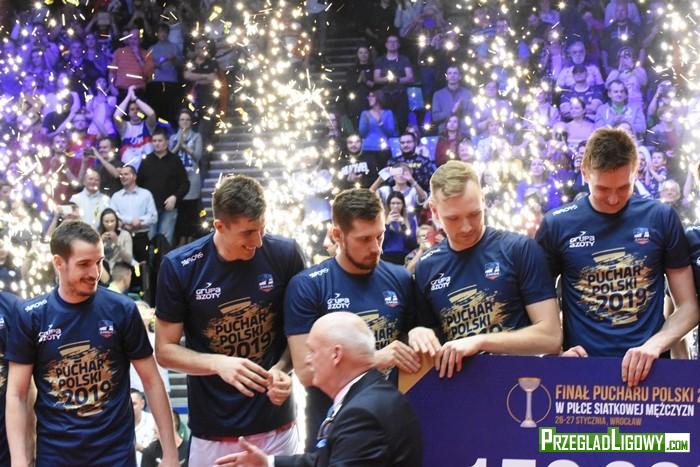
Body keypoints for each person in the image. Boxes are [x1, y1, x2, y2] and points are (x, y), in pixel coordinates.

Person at [154, 175, 305, 467]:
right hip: (213, 431)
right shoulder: (180, 266)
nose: (257, 241)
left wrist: (283, 368)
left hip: (278, 426)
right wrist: (217, 363)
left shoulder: (285, 253)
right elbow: (165, 351)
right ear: (219, 226)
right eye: (248, 232)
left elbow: (300, 333)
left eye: (262, 228)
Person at [535, 128, 700, 387]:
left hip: (651, 372)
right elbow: (535, 304)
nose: (613, 199)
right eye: (602, 188)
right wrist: (554, 352)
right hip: (581, 374)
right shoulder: (556, 224)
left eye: (624, 187)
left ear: (635, 171)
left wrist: (655, 345)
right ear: (584, 172)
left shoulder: (661, 217)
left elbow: (688, 307)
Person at [5, 221, 178, 466]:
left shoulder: (122, 309)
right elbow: (17, 394)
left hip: (115, 455)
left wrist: (170, 453)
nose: (95, 273)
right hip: (57, 455)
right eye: (84, 264)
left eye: (99, 262)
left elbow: (152, 381)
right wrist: (19, 460)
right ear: (59, 263)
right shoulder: (31, 315)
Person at [284, 188, 419, 450]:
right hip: (334, 435)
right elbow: (306, 372)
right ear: (337, 235)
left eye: (380, 236)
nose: (376, 248)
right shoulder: (308, 286)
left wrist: (421, 333)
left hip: (391, 428)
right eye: (364, 239)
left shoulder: (400, 278)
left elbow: (412, 353)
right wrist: (375, 359)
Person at [409, 161, 562, 378]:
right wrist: (418, 333)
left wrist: (480, 341)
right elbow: (428, 338)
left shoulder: (519, 249)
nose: (466, 227)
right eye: (453, 218)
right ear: (434, 211)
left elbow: (550, 337)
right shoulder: (426, 266)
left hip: (518, 384)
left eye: (474, 214)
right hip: (458, 387)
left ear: (483, 201)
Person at [213, 312, 423, 467]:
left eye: (312, 351)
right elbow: (325, 460)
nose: (307, 360)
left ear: (336, 355)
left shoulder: (362, 414)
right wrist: (267, 463)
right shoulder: (369, 393)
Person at [137, 127, 190, 246]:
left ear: (166, 142)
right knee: (149, 243)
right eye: (154, 141)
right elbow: (138, 185)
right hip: (149, 210)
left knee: (165, 243)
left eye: (160, 140)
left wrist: (175, 197)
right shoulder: (146, 161)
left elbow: (185, 184)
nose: (157, 143)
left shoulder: (175, 160)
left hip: (169, 209)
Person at [110, 165, 158, 262]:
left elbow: (154, 216)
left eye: (126, 174)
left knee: (142, 266)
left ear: (134, 176)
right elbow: (114, 216)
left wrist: (139, 222)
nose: (123, 177)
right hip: (123, 237)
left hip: (142, 236)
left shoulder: (146, 194)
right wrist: (131, 221)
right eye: (121, 175)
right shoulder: (116, 196)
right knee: (123, 267)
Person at [169, 110, 204, 246]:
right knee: (179, 210)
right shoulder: (173, 138)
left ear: (191, 122)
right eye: (182, 119)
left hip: (192, 177)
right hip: (177, 179)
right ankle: (179, 238)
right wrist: (178, 144)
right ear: (178, 122)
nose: (184, 122)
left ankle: (189, 237)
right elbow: (169, 156)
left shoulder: (196, 136)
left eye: (187, 120)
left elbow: (198, 156)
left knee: (191, 210)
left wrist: (185, 146)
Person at [373, 35, 414, 133]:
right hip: (385, 96)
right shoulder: (380, 60)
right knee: (386, 123)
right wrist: (387, 79)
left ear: (398, 45)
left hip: (401, 95)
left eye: (395, 42)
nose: (392, 44)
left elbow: (410, 77)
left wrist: (397, 80)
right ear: (386, 44)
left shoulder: (404, 59)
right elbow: (376, 78)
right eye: (390, 42)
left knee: (402, 122)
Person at [114, 85, 157, 170]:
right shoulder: (125, 127)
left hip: (148, 169)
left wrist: (135, 98)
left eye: (138, 109)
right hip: (129, 172)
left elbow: (151, 113)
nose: (135, 112)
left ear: (142, 111)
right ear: (128, 113)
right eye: (132, 109)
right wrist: (128, 96)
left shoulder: (147, 125)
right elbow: (116, 116)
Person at [431, 65, 473, 135]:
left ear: (460, 77)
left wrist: (460, 110)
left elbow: (472, 114)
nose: (452, 76)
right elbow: (435, 117)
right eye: (449, 73)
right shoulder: (438, 94)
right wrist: (452, 111)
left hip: (464, 132)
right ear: (446, 77)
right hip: (444, 133)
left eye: (455, 73)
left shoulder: (468, 94)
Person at [98, 208, 134, 272]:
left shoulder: (125, 235)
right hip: (102, 271)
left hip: (120, 270)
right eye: (106, 221)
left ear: (116, 221)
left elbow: (129, 259)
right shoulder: (97, 235)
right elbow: (91, 257)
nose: (110, 224)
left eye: (112, 221)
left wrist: (117, 242)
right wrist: (100, 242)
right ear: (102, 222)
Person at [132, 388, 158, 465]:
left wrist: (140, 448)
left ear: (142, 404)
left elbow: (159, 453)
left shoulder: (154, 421)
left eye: (133, 404)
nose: (130, 407)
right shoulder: (118, 425)